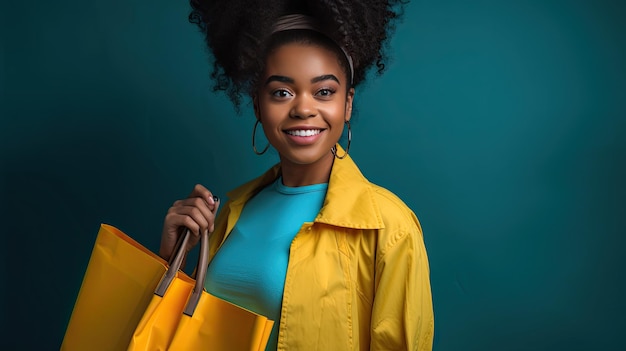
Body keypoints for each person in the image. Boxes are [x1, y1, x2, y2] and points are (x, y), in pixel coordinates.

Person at [159, 1, 434, 350]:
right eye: (282, 92)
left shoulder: (390, 229)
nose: (303, 108)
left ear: (347, 104)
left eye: (324, 92)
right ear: (259, 105)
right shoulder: (229, 214)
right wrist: (174, 260)